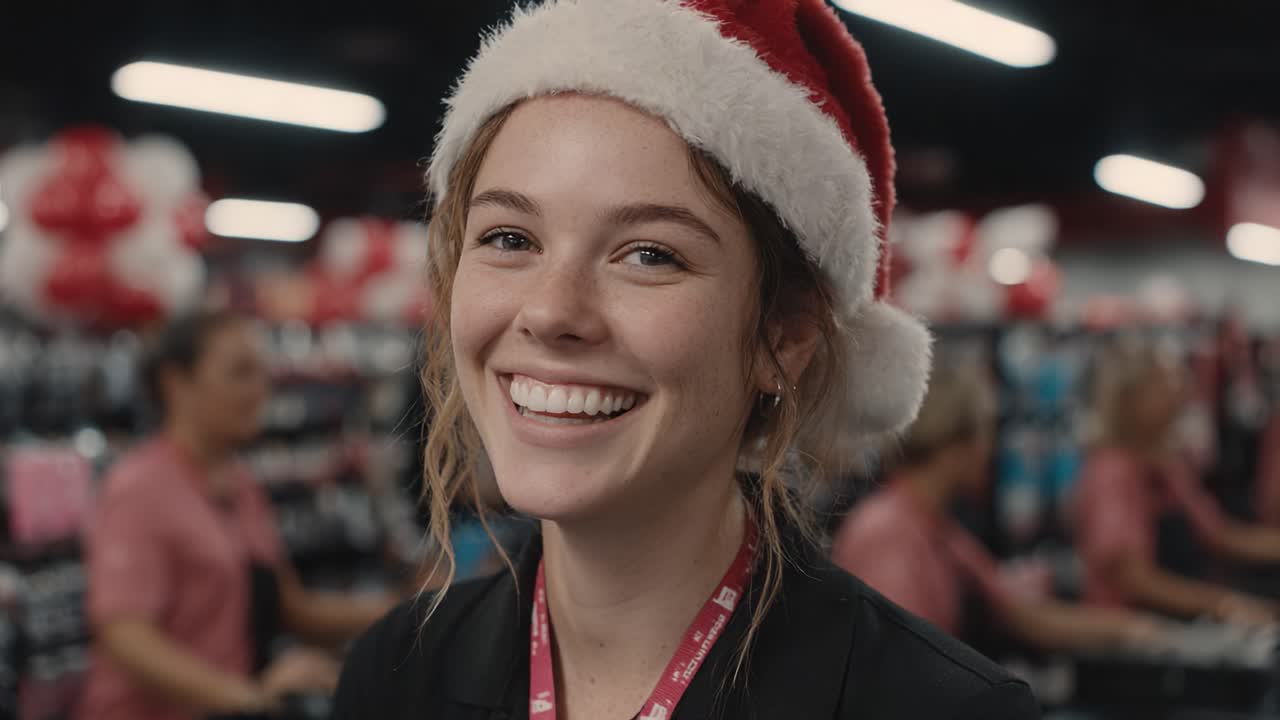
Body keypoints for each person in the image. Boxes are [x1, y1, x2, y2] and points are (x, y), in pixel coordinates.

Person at [333, 1, 1040, 718]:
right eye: (510, 238)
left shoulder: (940, 708)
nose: (549, 312)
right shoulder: (392, 677)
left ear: (783, 335)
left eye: (649, 254)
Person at [79, 310, 395, 720]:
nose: (260, 390)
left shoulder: (241, 486)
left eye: (262, 373)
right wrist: (243, 695)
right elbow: (124, 632)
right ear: (176, 383)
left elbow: (291, 607)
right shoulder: (138, 488)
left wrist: (406, 609)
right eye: (240, 373)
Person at [833, 364, 1163, 651]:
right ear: (957, 444)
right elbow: (899, 663)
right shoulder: (888, 532)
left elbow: (1019, 612)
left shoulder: (930, 523)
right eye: (985, 435)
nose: (990, 451)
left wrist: (1129, 629)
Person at [1074, 342, 1280, 625]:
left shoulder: (1167, 465)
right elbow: (1131, 578)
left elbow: (1220, 534)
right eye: (1161, 385)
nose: (1178, 394)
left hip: (1178, 621)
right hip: (1131, 632)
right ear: (1129, 398)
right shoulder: (1112, 471)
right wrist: (1220, 605)